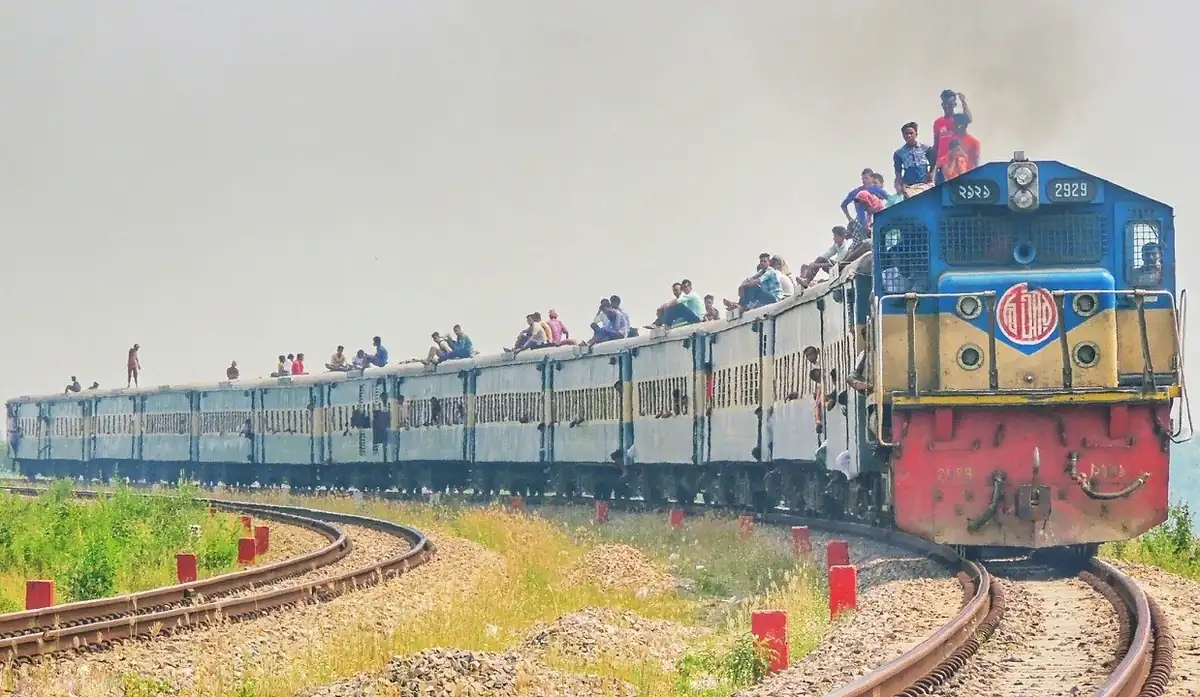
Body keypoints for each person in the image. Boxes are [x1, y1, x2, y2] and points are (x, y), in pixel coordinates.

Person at [932, 90, 973, 183]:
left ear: (954, 105)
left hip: (957, 164)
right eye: (945, 104)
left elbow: (968, 119)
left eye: (950, 104)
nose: (947, 106)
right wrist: (933, 167)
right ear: (942, 105)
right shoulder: (938, 122)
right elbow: (936, 145)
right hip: (943, 165)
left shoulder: (957, 120)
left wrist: (963, 102)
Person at [893, 122, 934, 199]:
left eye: (911, 133)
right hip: (909, 187)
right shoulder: (899, 153)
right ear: (903, 136)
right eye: (906, 134)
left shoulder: (926, 149)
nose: (909, 135)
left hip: (925, 185)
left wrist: (931, 179)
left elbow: (934, 165)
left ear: (916, 134)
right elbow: (898, 172)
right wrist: (900, 186)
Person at [936, 114, 981, 182]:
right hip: (949, 179)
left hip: (967, 179)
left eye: (956, 124)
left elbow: (976, 163)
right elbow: (942, 159)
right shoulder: (948, 139)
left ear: (964, 125)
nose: (953, 127)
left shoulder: (974, 142)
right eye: (953, 124)